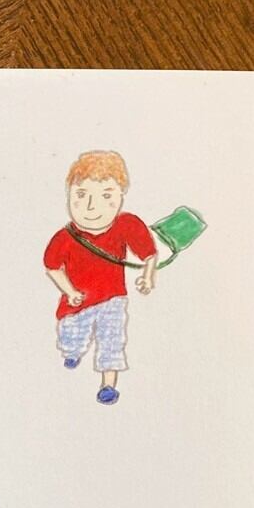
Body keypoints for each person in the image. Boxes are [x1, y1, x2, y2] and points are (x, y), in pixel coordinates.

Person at [43, 150, 157, 405]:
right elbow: (52, 267)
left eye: (106, 196)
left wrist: (148, 276)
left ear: (120, 197)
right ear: (69, 195)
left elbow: (150, 254)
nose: (91, 207)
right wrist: (70, 291)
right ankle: (72, 351)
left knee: (112, 340)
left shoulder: (127, 226)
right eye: (81, 195)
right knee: (71, 336)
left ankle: (108, 386)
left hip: (113, 299)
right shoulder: (64, 238)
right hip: (77, 303)